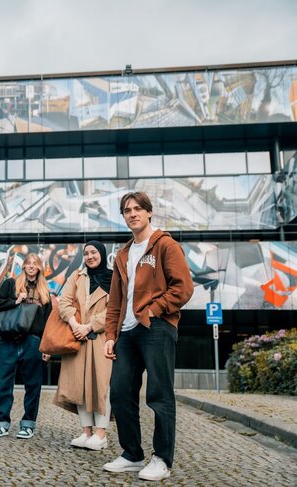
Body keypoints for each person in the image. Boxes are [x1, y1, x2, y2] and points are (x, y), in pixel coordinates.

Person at [102, 191, 194, 481]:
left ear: (149, 212)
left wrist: (154, 310)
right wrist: (109, 334)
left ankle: (162, 459)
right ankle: (132, 454)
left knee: (159, 394)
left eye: (138, 209)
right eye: (127, 210)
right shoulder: (124, 253)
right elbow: (115, 300)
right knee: (118, 392)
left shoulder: (165, 245)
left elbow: (183, 288)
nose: (132, 214)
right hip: (126, 333)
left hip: (156, 328)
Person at [53, 241, 113, 451]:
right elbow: (64, 302)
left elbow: (116, 308)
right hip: (76, 337)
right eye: (86, 253)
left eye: (94, 252)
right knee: (79, 384)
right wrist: (76, 325)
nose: (89, 256)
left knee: (101, 385)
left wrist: (90, 326)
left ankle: (101, 433)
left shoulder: (114, 277)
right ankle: (86, 431)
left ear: (102, 254)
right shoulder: (77, 276)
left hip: (102, 339)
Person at [0, 253, 51, 439]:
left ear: (40, 267)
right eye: (28, 263)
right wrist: (15, 301)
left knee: (33, 385)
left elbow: (48, 322)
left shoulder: (45, 291)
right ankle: (1, 423)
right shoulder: (11, 283)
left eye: (35, 264)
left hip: (33, 341)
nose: (31, 266)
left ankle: (28, 424)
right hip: (8, 340)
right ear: (23, 266)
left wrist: (47, 347)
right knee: (3, 383)